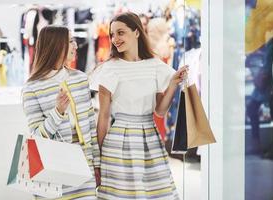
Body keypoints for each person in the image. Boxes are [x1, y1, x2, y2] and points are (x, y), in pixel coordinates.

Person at [92, 12, 187, 199]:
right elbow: (103, 118)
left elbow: (160, 111)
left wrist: (173, 84)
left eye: (120, 33)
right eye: (112, 34)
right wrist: (98, 159)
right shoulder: (109, 68)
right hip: (119, 143)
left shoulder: (155, 65)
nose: (114, 39)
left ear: (136, 32)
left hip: (149, 140)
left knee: (159, 194)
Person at [22, 25, 100, 199]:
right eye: (70, 41)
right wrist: (58, 112)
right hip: (51, 170)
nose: (76, 45)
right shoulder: (31, 88)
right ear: (56, 45)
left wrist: (97, 164)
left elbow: (90, 127)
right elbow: (36, 137)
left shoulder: (80, 78)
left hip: (83, 165)